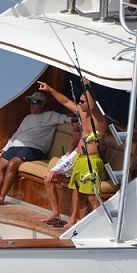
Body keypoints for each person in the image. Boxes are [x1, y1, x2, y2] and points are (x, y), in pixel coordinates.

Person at [38, 79, 109, 230]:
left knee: (92, 197)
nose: (80, 104)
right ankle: (74, 221)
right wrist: (50, 89)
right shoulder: (81, 115)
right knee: (77, 191)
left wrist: (87, 87)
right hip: (80, 159)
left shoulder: (99, 121)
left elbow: (92, 106)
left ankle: (101, 226)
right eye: (79, 101)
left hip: (93, 161)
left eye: (83, 101)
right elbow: (65, 101)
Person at [0, 90, 70, 206]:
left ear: (43, 104)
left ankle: (2, 197)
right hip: (17, 146)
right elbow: (17, 134)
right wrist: (4, 148)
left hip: (34, 149)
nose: (31, 105)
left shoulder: (50, 116)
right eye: (30, 102)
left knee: (12, 163)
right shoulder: (27, 118)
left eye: (34, 102)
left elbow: (68, 118)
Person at [40, 114, 81, 226]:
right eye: (71, 120)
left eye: (74, 121)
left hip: (86, 172)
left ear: (81, 122)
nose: (71, 123)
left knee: (76, 183)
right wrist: (53, 171)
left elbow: (74, 156)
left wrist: (54, 170)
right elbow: (67, 156)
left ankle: (73, 219)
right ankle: (55, 213)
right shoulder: (74, 138)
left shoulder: (85, 139)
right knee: (48, 178)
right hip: (72, 171)